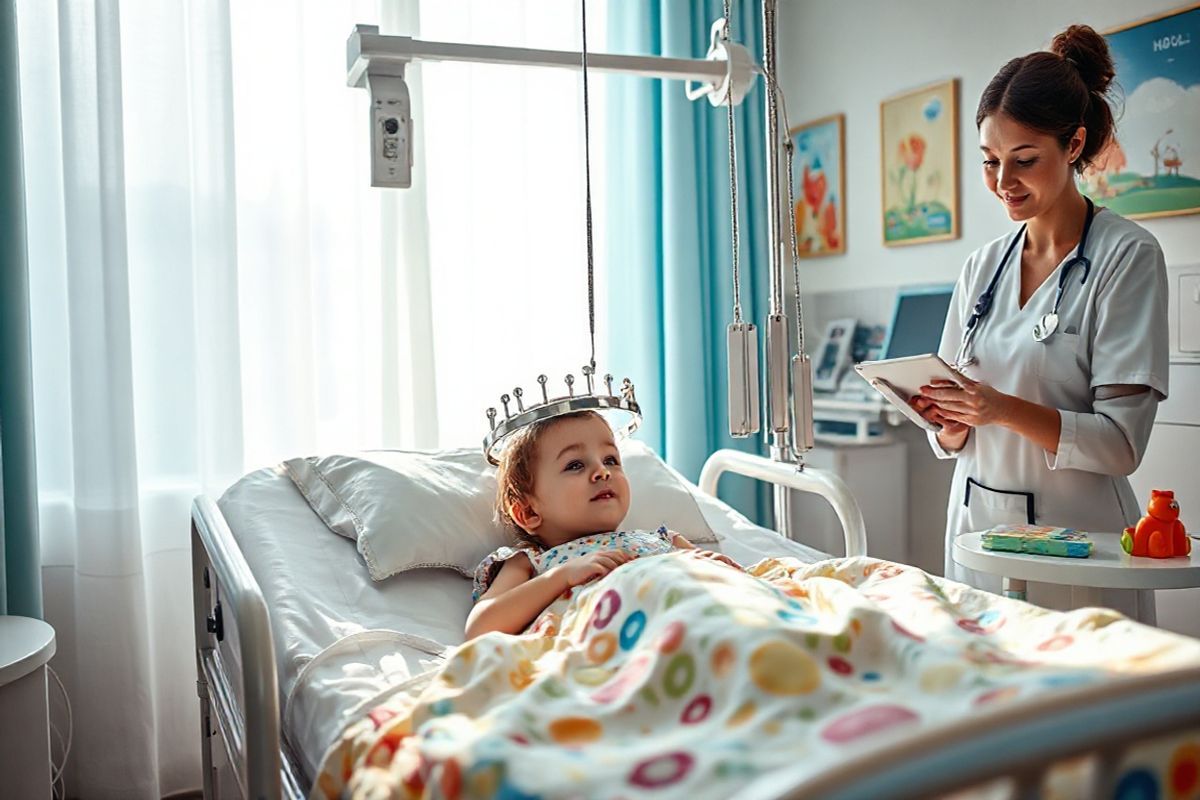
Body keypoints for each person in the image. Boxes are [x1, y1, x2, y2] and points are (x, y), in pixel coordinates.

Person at [909, 25, 1169, 613]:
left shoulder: (1127, 258)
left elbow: (1122, 446)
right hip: (977, 536)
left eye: (1024, 160)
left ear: (1074, 146)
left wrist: (998, 407)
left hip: (1080, 544)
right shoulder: (981, 268)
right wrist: (944, 422)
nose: (1004, 184)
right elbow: (954, 428)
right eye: (990, 162)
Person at [465, 411, 739, 639]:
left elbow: (727, 588)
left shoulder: (665, 541)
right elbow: (481, 627)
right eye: (574, 465)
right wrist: (562, 576)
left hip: (699, 619)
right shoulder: (533, 562)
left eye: (610, 460)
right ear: (528, 512)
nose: (602, 471)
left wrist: (711, 565)